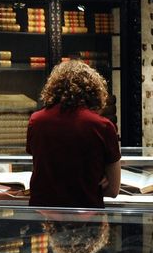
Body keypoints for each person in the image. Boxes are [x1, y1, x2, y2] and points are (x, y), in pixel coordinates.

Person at [26, 60, 121, 208]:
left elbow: (40, 165)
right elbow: (113, 190)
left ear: (53, 88)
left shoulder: (36, 121)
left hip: (43, 212)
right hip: (87, 214)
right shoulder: (103, 126)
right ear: (93, 90)